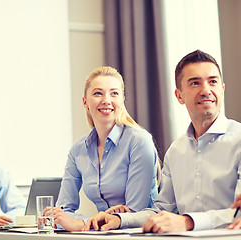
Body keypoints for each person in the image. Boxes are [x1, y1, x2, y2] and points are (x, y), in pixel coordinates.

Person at [83, 50, 241, 233]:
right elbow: (160, 210)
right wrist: (119, 219)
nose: (206, 90)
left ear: (222, 89)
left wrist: (188, 222)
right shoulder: (176, 150)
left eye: (212, 81)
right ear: (179, 96)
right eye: (195, 83)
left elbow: (238, 214)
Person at [51, 66, 159, 231]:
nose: (106, 100)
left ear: (122, 99)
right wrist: (89, 221)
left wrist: (81, 223)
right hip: (102, 234)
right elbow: (63, 211)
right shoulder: (79, 149)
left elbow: (134, 213)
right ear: (85, 102)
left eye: (114, 93)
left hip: (139, 235)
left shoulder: (139, 142)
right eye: (98, 93)